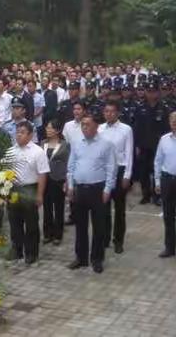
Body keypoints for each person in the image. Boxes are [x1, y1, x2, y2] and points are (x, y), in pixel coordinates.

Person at [67, 114, 117, 274]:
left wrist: (108, 189)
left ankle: (97, 259)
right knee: (80, 226)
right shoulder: (76, 143)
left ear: (96, 126)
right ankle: (81, 258)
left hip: (98, 190)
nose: (84, 127)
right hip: (80, 189)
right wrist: (70, 185)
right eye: (82, 125)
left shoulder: (106, 144)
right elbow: (71, 165)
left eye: (87, 125)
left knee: (99, 227)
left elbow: (111, 168)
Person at [7, 121, 49, 265]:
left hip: (30, 188)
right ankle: (17, 250)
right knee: (14, 223)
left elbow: (42, 174)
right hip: (14, 189)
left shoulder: (38, 152)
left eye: (22, 132)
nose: (19, 135)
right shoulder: (11, 151)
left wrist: (39, 194)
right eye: (17, 132)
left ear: (30, 135)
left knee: (31, 224)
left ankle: (31, 253)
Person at [98, 101, 134, 253]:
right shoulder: (100, 128)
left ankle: (118, 240)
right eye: (106, 111)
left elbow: (129, 153)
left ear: (118, 113)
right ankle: (104, 238)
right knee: (103, 208)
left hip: (119, 170)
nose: (109, 114)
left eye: (112, 111)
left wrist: (127, 174)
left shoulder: (126, 130)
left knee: (119, 209)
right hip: (104, 171)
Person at [134, 82, 170, 205]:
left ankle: (157, 195)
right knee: (143, 172)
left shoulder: (163, 108)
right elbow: (137, 128)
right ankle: (146, 195)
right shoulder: (140, 107)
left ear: (157, 93)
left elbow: (167, 129)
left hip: (158, 146)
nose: (150, 94)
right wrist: (137, 145)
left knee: (156, 171)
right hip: (144, 145)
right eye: (148, 91)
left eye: (153, 91)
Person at [42, 119, 70, 246]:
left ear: (57, 130)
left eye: (50, 128)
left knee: (58, 208)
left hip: (59, 179)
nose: (48, 130)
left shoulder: (65, 145)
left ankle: (58, 234)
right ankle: (47, 233)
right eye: (47, 128)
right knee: (47, 208)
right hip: (45, 179)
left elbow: (69, 163)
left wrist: (67, 180)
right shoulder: (43, 143)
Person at [154, 111, 176, 258]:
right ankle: (169, 247)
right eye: (172, 120)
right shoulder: (164, 139)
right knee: (168, 216)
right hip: (167, 180)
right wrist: (157, 181)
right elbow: (158, 161)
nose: (175, 122)